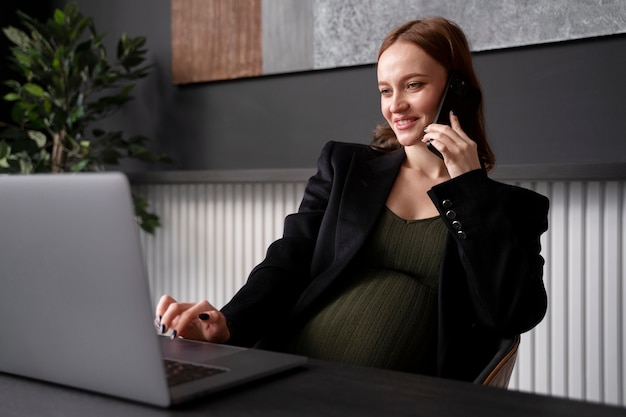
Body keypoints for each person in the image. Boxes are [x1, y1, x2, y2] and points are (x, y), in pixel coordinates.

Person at [156, 16, 549, 382]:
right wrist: (229, 322)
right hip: (288, 373)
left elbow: (511, 314)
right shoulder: (345, 167)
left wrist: (469, 191)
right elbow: (286, 261)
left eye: (413, 85)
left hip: (405, 399)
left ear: (456, 90)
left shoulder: (510, 209)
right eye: (385, 90)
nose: (396, 105)